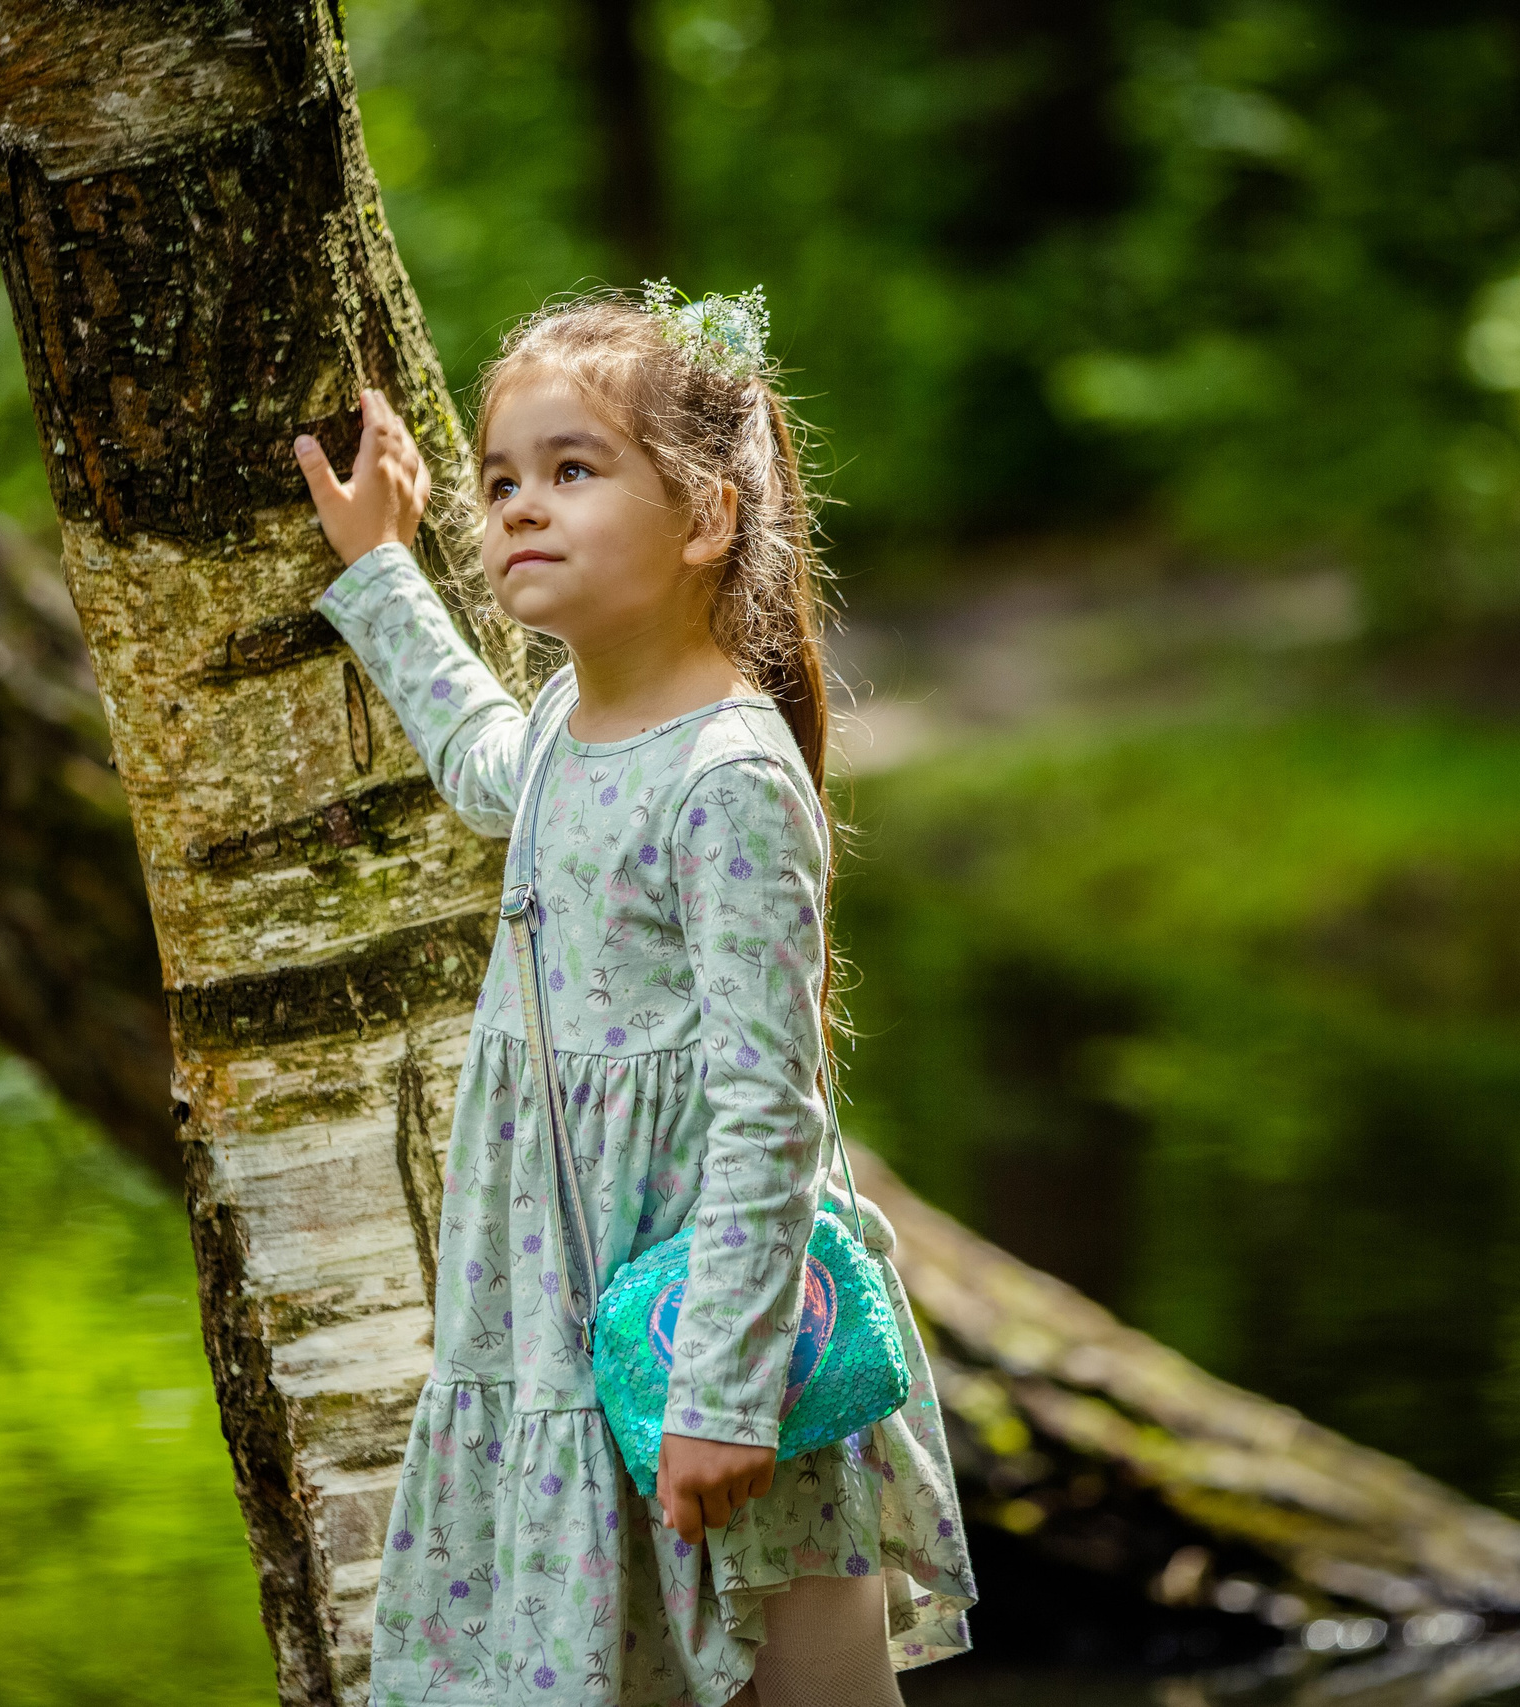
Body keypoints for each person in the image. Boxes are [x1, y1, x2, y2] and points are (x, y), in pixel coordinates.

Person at [293, 286, 975, 1707]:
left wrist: (725, 1393)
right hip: (557, 1302)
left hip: (716, 1328)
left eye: (572, 469)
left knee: (811, 1675)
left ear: (707, 517)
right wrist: (383, 567)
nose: (520, 509)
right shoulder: (565, 719)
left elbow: (768, 1111)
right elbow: (482, 759)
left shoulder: (727, 778)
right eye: (500, 483)